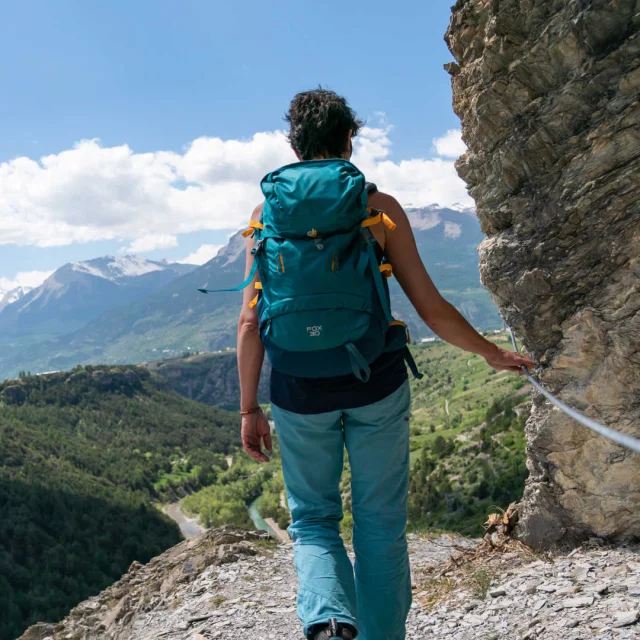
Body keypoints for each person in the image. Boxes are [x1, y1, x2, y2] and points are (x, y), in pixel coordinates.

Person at [236, 89, 533, 640]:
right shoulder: (378, 209)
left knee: (314, 521)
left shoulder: (265, 214)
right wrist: (493, 354)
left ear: (294, 144)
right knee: (379, 525)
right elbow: (431, 308)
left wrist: (249, 406)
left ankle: (328, 623)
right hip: (376, 384)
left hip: (298, 390)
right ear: (350, 139)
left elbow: (250, 322)